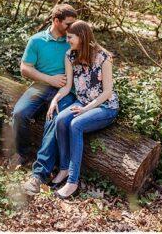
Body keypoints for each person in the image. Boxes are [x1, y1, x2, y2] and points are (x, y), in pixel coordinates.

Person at [24, 20, 119, 197]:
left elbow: (107, 92)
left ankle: (72, 182)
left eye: (70, 37)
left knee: (76, 125)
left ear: (81, 37)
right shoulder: (70, 55)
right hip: (82, 102)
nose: (67, 40)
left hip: (104, 106)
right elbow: (67, 87)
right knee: (60, 119)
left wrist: (86, 109)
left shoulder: (104, 57)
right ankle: (64, 168)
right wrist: (55, 100)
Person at [8, 4, 78, 169]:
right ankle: (22, 153)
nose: (72, 27)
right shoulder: (37, 40)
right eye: (68, 24)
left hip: (65, 90)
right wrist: (49, 79)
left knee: (53, 119)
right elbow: (25, 69)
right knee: (19, 113)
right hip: (40, 86)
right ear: (56, 21)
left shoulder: (73, 40)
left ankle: (44, 166)